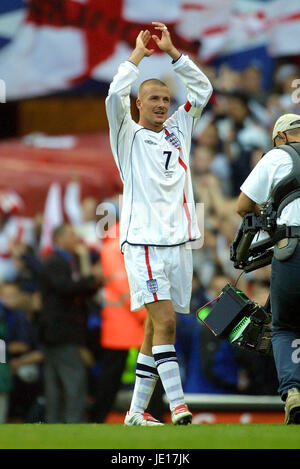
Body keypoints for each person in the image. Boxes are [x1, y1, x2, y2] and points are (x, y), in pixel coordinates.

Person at [105, 22, 212, 425]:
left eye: (166, 98)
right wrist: (137, 56)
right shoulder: (126, 134)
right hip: (143, 243)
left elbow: (202, 90)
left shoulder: (179, 129)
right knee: (165, 320)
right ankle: (179, 405)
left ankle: (135, 413)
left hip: (179, 243)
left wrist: (173, 54)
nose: (162, 104)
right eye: (153, 98)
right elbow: (114, 93)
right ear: (138, 104)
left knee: (155, 328)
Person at [237, 113, 300, 424]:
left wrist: (269, 210)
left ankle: (292, 392)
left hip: (292, 248)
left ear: (280, 137)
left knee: (285, 326)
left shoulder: (277, 156)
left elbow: (242, 205)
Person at [39, 223, 102, 423]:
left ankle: (55, 425)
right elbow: (66, 288)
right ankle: (73, 423)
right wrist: (91, 278)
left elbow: (80, 292)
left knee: (55, 383)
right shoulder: (54, 262)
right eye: (72, 235)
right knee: (73, 382)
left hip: (57, 334)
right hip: (62, 333)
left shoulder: (68, 262)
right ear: (59, 239)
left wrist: (91, 280)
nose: (77, 240)